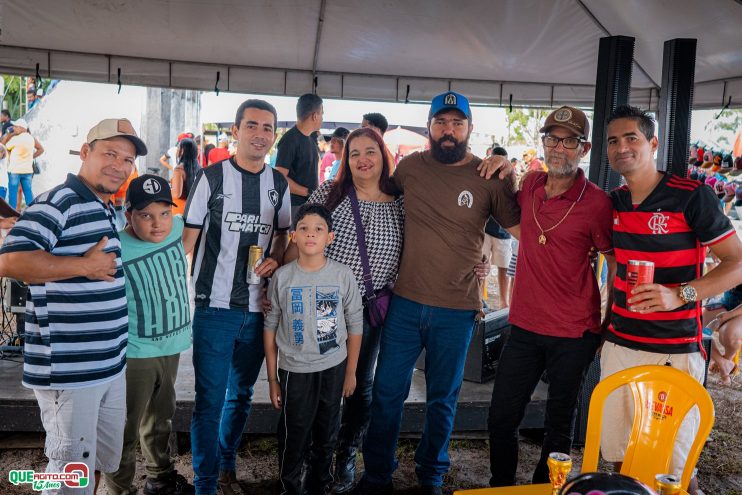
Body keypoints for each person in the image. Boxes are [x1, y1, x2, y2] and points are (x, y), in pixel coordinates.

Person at [355, 91, 521, 495]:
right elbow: (375, 196)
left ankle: (430, 476)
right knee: (387, 393)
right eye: (441, 123)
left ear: (469, 128)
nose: (449, 131)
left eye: (457, 123)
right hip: (405, 305)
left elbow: (522, 231)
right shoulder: (410, 167)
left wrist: (513, 173)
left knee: (442, 400)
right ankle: (377, 475)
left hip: (457, 309)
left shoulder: (488, 176)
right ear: (429, 126)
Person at [0, 118, 147, 494]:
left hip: (108, 366)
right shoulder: (59, 201)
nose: (119, 165)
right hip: (69, 371)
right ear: (85, 152)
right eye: (110, 154)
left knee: (95, 462)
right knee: (69, 471)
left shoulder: (103, 205)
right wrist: (84, 266)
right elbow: (10, 261)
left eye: (128, 159)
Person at [601, 105, 742, 495]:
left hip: (675, 348)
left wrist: (681, 294)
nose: (622, 147)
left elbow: (737, 262)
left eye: (632, 138)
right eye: (613, 140)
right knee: (620, 456)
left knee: (674, 469)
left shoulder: (691, 195)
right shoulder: (613, 202)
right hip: (620, 343)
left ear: (653, 143)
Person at [487, 106, 615, 487]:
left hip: (574, 333)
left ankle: (547, 487)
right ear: (542, 143)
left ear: (584, 147)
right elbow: (511, 209)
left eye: (569, 140)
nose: (558, 148)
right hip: (524, 325)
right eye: (551, 139)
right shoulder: (530, 184)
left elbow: (616, 267)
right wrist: (501, 164)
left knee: (559, 425)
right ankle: (501, 486)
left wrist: (608, 327)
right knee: (501, 417)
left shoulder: (596, 203)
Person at [182, 99, 291, 495]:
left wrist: (277, 257)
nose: (260, 134)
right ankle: (206, 484)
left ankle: (226, 464)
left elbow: (283, 234)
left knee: (241, 395)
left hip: (259, 311)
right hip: (214, 308)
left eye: (267, 127)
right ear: (236, 131)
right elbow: (186, 243)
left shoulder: (277, 184)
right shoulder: (210, 177)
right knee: (209, 400)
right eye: (252, 126)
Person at [103, 175, 194, 495]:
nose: (157, 224)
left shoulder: (180, 228)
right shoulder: (114, 246)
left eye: (164, 213)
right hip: (135, 353)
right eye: (146, 215)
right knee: (124, 425)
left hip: (171, 347)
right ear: (128, 216)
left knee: (161, 419)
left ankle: (160, 478)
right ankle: (120, 487)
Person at [264, 203, 364, 495]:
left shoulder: (342, 276)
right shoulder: (283, 278)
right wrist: (272, 379)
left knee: (326, 434)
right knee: (294, 434)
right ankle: (290, 487)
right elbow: (269, 328)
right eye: (304, 229)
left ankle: (320, 485)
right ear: (293, 235)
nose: (311, 234)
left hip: (333, 368)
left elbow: (355, 325)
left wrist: (351, 372)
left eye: (318, 229)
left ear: (329, 237)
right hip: (295, 371)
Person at [275, 93, 323, 218]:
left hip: (308, 205)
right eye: (322, 114)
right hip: (294, 207)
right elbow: (279, 177)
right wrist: (308, 192)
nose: (322, 118)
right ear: (314, 116)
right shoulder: (290, 139)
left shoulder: (310, 139)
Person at [482, 146, 514, 309]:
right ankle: (479, 299)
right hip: (485, 230)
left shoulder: (509, 178)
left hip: (504, 232)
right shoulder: (482, 174)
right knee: (481, 266)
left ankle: (504, 302)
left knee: (504, 268)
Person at [1, 118, 44, 209]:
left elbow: (2, 146)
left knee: (13, 193)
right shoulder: (31, 138)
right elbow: (41, 149)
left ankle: (12, 213)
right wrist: (31, 157)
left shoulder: (15, 139)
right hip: (28, 171)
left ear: (21, 128)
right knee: (28, 192)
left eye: (15, 126)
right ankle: (32, 211)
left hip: (15, 171)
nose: (14, 128)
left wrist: (9, 135)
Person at [171, 137, 199, 216]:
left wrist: (164, 191)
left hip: (178, 211)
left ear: (182, 151)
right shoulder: (199, 168)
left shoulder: (179, 170)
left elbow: (176, 194)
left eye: (178, 147)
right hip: (194, 210)